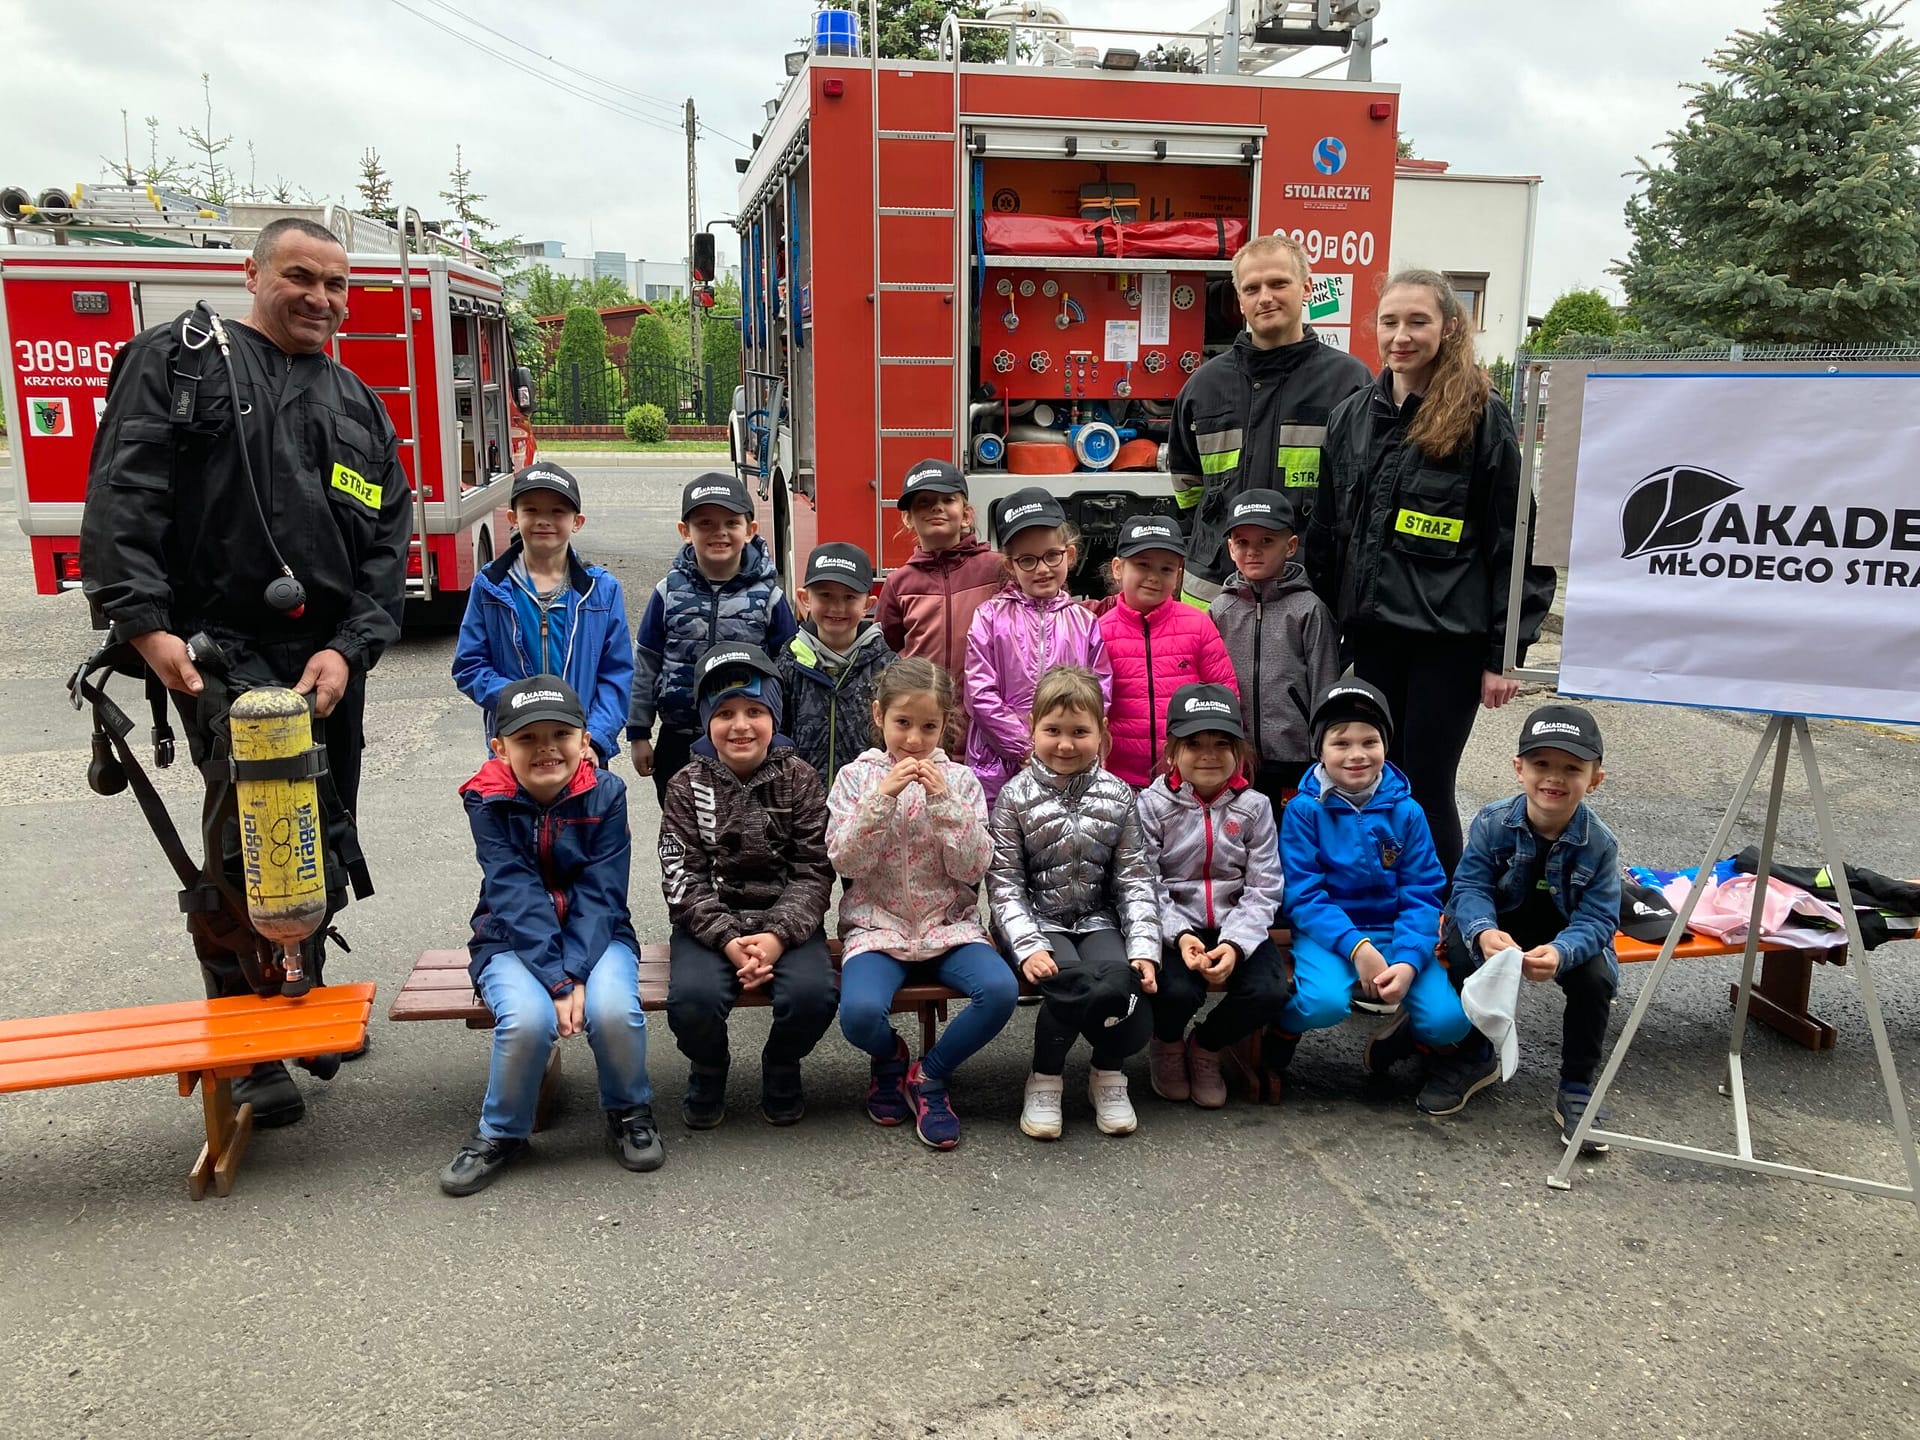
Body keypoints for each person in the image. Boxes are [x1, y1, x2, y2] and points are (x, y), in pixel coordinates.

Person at [78, 216, 411, 1128]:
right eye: (301, 276)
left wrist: (351, 646)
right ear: (253, 274)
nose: (320, 298)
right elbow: (124, 493)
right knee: (242, 851)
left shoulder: (357, 401)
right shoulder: (181, 362)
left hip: (326, 661)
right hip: (221, 653)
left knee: (322, 830)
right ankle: (249, 1037)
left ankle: (303, 996)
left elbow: (387, 542)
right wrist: (143, 624)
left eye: (336, 284)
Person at [1308, 269, 1556, 872]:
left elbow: (1516, 541)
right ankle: (1380, 897)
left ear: (1448, 328)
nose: (1402, 336)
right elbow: (1327, 528)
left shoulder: (1481, 417)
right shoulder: (1351, 417)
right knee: (1372, 776)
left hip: (1448, 644)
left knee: (1425, 782)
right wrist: (1324, 622)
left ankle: (1443, 910)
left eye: (1418, 321)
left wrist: (1504, 652)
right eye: (1390, 322)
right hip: (1372, 638)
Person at [440, 676, 661, 1196]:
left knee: (613, 1010)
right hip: (508, 936)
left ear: (585, 740)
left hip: (599, 933)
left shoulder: (607, 793)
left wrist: (576, 972)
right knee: (526, 1020)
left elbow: (603, 892)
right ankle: (502, 1131)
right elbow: (513, 892)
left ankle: (629, 1110)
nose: (546, 749)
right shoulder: (486, 800)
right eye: (527, 738)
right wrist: (557, 982)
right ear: (500, 748)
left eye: (561, 734)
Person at [828, 657, 1018, 1149]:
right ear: (879, 715)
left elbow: (973, 867)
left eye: (929, 727)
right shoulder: (854, 778)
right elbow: (846, 860)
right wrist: (881, 799)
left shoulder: (962, 782)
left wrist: (944, 804)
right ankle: (890, 1058)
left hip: (948, 927)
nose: (914, 739)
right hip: (877, 927)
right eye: (903, 723)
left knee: (1000, 990)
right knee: (858, 1014)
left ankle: (929, 1075)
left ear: (945, 724)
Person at [659, 644, 837, 1128]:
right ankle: (708, 1065)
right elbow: (681, 876)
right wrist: (727, 941)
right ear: (706, 722)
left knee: (813, 996)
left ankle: (782, 1061)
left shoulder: (801, 779)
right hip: (711, 926)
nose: (741, 726)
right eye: (725, 714)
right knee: (692, 1000)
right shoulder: (685, 785)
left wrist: (777, 936)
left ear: (774, 717)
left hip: (786, 922)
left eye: (755, 711)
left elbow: (814, 869)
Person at [1269, 680, 1471, 1096]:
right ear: (1319, 750)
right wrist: (1357, 948)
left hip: (1398, 932)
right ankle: (1281, 1032)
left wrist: (1410, 959)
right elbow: (1304, 895)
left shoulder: (1407, 811)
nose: (1357, 754)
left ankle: (1407, 1038)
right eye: (1341, 743)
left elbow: (1423, 891)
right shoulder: (1304, 810)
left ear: (1385, 746)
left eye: (1370, 741)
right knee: (1323, 1003)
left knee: (1449, 1022)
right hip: (1329, 934)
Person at [1432, 704, 1620, 1145]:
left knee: (1595, 978)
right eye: (1541, 764)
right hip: (1500, 924)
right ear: (1519, 769)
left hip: (1563, 933)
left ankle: (1576, 1085)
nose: (1554, 778)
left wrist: (1562, 952)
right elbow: (1469, 886)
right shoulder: (1492, 822)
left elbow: (1599, 918)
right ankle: (1476, 1052)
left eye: (1572, 768)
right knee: (1462, 949)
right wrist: (1483, 930)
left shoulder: (1601, 844)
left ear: (1595, 779)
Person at [986, 665, 1160, 1141]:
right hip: (1038, 921)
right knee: (1068, 981)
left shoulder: (1119, 795)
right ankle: (1045, 1078)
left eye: (1080, 732)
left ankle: (1108, 1073)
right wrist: (1026, 945)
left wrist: (1144, 947)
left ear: (1101, 732)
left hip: (1097, 919)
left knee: (1118, 977)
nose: (1065, 745)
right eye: (1053, 731)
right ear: (1032, 729)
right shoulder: (1014, 797)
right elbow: (1004, 883)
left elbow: (1134, 878)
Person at [1166, 233, 1371, 604]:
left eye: (1278, 283)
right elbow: (1187, 487)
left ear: (1306, 288)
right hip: (1214, 590)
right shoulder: (1203, 387)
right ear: (1239, 299)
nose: (1265, 297)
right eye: (1252, 288)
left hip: (1310, 590)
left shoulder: (1350, 384)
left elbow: (1361, 494)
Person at [1137, 685, 1291, 1109]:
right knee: (1174, 991)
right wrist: (1180, 935)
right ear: (1171, 752)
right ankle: (1167, 1042)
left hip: (1235, 923)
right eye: (1194, 744)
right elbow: (1145, 882)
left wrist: (1235, 944)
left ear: (1240, 752)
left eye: (1222, 743)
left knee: (1269, 991)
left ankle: (1207, 1045)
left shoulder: (1255, 806)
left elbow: (1265, 886)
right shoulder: (1151, 805)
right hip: (1174, 924)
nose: (1208, 755)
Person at [629, 474, 798, 804]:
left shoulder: (769, 598)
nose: (719, 532)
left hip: (746, 740)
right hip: (679, 738)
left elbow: (787, 673)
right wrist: (638, 733)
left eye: (731, 523)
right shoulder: (667, 593)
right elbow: (646, 665)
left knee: (749, 824)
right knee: (682, 823)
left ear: (750, 530)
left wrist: (782, 734)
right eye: (705, 523)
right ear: (685, 531)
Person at [452, 462, 632, 764]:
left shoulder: (602, 590)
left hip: (580, 748)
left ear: (577, 521)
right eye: (531, 510)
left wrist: (597, 740)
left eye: (557, 512)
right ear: (513, 518)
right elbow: (469, 666)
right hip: (515, 748)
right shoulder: (490, 586)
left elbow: (617, 675)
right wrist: (523, 701)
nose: (543, 520)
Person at [964, 488, 1112, 806]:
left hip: (1067, 759)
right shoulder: (989, 616)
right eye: (1028, 560)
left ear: (1069, 555)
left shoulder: (1083, 622)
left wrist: (1067, 741)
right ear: (1010, 565)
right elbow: (979, 693)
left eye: (1051, 556)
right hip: (998, 764)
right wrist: (1026, 747)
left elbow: (1099, 691)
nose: (1042, 569)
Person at [1207, 488, 1339, 811]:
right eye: (1242, 542)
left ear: (1290, 546)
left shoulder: (1309, 609)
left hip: (1295, 757)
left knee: (1291, 831)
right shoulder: (1220, 610)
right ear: (1231, 548)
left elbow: (1325, 682)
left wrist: (1323, 748)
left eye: (1266, 541)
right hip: (1236, 756)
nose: (1253, 551)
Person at [1094, 515, 1239, 788]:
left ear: (1179, 575)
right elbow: (1089, 708)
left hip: (1186, 782)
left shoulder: (1198, 625)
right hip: (1118, 781)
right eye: (1142, 565)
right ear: (1117, 568)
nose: (1154, 577)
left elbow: (1226, 699)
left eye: (1166, 569)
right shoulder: (1100, 632)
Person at [874, 458, 1004, 751]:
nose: (937, 507)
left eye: (948, 500)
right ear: (908, 519)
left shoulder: (995, 569)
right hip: (922, 736)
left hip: (985, 732)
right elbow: (887, 652)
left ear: (966, 514)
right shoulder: (899, 583)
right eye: (924, 502)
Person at [779, 542, 895, 794]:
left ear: (868, 604)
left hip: (866, 801)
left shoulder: (888, 668)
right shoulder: (789, 663)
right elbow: (778, 734)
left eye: (850, 597)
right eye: (825, 595)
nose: (837, 607)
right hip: (802, 801)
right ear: (805, 599)